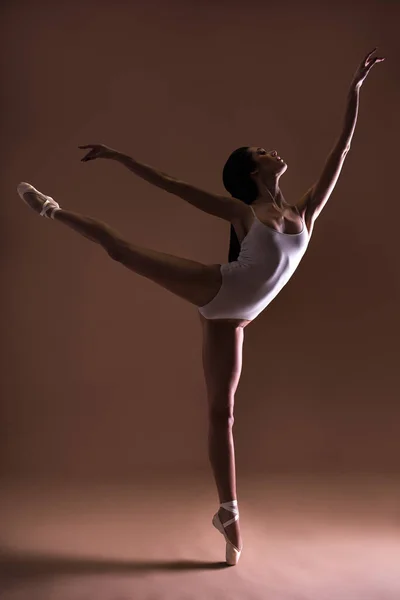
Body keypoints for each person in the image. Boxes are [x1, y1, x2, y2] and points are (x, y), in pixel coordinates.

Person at [16, 48, 384, 566]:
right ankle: (53, 210)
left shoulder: (302, 211)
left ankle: (227, 515)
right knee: (124, 252)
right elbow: (174, 187)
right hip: (218, 289)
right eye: (261, 149)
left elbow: (339, 153)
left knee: (222, 414)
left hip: (236, 318)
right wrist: (120, 157)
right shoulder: (242, 212)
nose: (271, 149)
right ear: (253, 170)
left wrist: (355, 92)